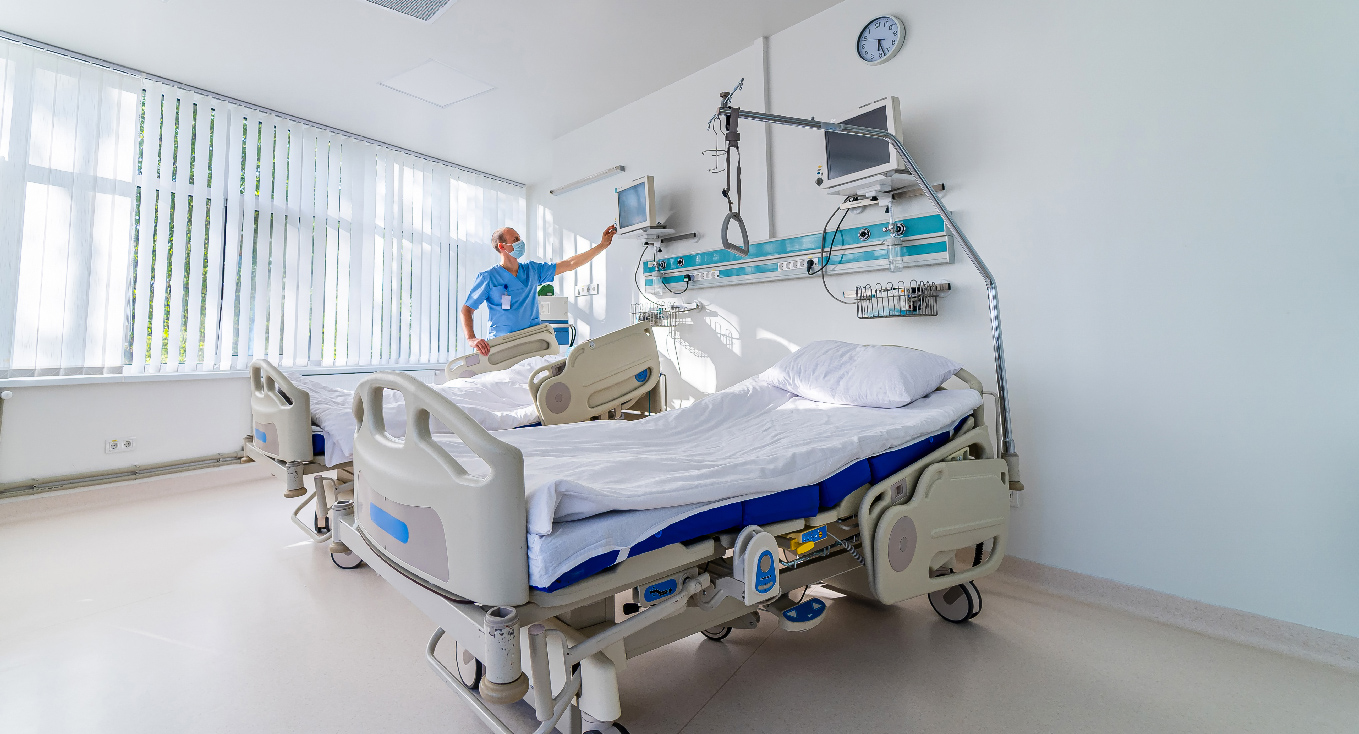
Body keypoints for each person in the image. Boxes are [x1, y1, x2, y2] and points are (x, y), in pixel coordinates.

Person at [460, 224, 617, 356]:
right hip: (501, 344)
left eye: (519, 238)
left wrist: (602, 245)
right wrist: (471, 339)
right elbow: (467, 310)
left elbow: (569, 264)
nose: (520, 242)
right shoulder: (488, 277)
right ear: (502, 246)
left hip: (532, 341)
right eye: (515, 240)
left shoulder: (532, 270)